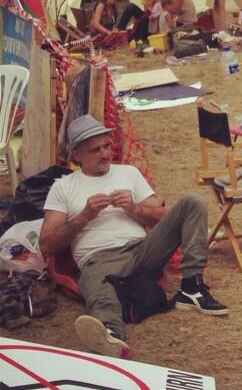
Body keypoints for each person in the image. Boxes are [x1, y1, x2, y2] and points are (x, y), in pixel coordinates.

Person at [39, 116, 228, 358]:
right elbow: (47, 244)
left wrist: (134, 208)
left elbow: (162, 217)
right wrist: (84, 216)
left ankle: (192, 288)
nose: (105, 153)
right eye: (95, 150)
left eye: (107, 146)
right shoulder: (63, 187)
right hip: (99, 259)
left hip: (141, 251)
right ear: (76, 154)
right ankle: (111, 334)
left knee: (193, 202)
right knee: (101, 293)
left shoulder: (129, 173)